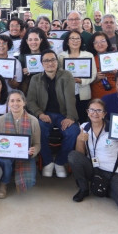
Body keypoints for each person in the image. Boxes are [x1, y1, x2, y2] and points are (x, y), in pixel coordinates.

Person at [68, 98, 118, 213]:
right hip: (93, 168)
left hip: (113, 171)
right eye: (92, 110)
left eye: (99, 110)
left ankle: (106, 188)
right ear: (88, 112)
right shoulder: (84, 127)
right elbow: (80, 155)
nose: (95, 113)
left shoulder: (113, 129)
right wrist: (79, 140)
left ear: (104, 114)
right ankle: (84, 188)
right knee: (73, 156)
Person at [27, 49, 79, 178]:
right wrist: (39, 114)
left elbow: (70, 98)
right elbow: (30, 101)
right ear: (42, 63)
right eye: (46, 60)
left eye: (52, 60)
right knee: (38, 129)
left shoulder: (66, 75)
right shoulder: (35, 79)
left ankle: (60, 162)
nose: (50, 63)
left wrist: (71, 117)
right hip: (44, 114)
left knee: (73, 132)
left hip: (63, 114)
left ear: (57, 61)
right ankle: (48, 161)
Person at [0, 90, 40, 198]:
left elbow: (37, 143)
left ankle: (18, 179)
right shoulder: (1, 120)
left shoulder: (33, 121)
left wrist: (34, 151)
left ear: (24, 102)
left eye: (18, 100)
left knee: (30, 181)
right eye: (12, 101)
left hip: (26, 155)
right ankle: (3, 183)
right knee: (5, 160)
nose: (15, 104)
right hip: (7, 155)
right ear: (8, 103)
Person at [60, 30, 96, 122]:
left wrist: (81, 81)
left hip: (83, 93)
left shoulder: (88, 55)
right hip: (65, 94)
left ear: (81, 41)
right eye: (72, 38)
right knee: (68, 121)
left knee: (83, 119)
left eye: (78, 38)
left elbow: (93, 74)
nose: (75, 41)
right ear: (67, 41)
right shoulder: (61, 56)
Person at [89, 31, 116, 99]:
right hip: (98, 95)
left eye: (102, 41)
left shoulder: (116, 57)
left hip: (116, 93)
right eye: (96, 42)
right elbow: (86, 82)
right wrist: (96, 78)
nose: (100, 44)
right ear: (93, 45)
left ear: (107, 43)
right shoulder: (91, 60)